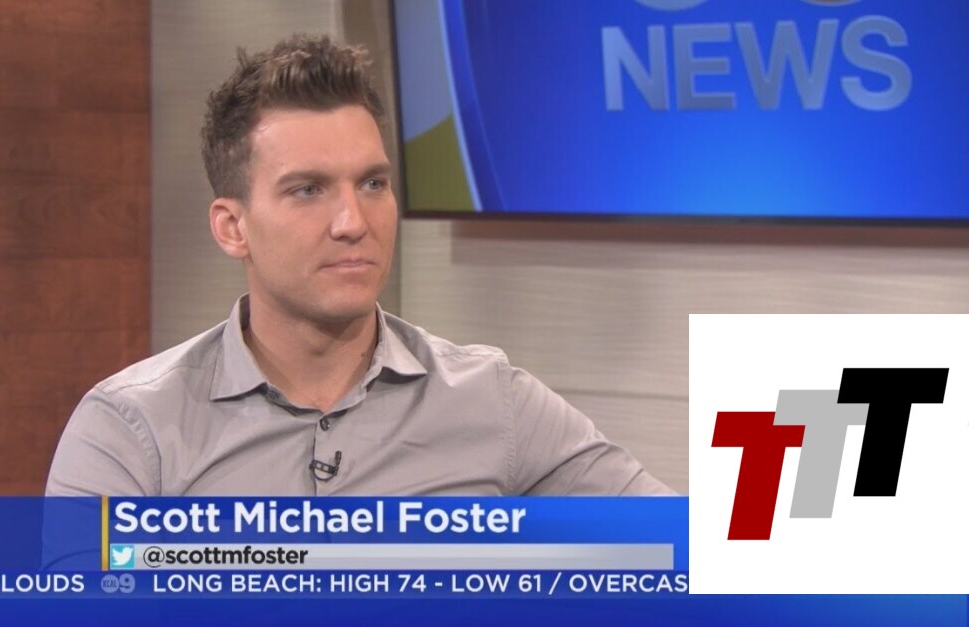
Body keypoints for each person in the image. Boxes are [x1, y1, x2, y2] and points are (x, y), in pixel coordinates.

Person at [46, 35, 672, 497]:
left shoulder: (492, 401)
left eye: (373, 183)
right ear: (232, 227)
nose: (353, 221)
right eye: (308, 190)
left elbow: (692, 552)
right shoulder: (133, 431)